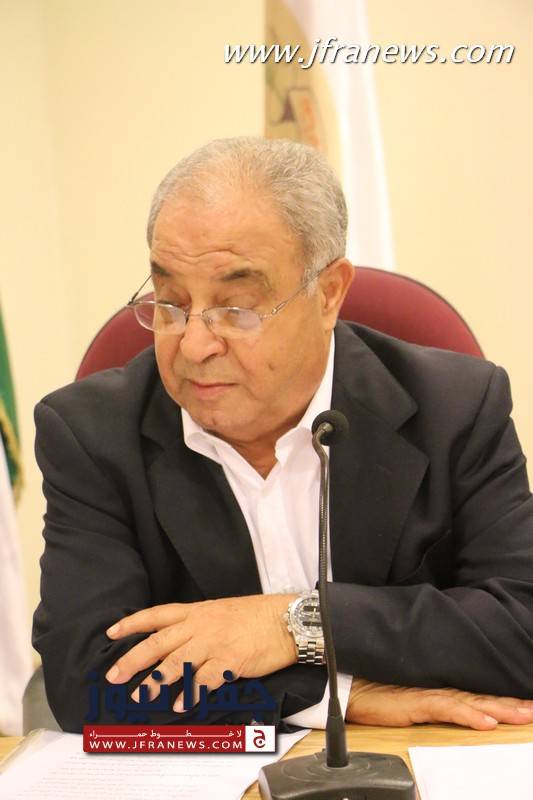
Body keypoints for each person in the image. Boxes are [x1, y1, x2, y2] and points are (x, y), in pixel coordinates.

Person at [33, 137, 533, 734]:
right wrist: (338, 696)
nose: (194, 344)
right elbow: (87, 684)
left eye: (236, 309)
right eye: (170, 304)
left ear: (328, 294)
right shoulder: (90, 434)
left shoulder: (455, 407)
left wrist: (296, 623)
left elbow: (522, 627)